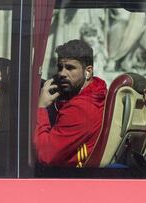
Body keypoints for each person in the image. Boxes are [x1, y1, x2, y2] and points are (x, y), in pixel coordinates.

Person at [35, 39, 107, 167]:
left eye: (70, 68)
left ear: (88, 71)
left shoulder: (79, 108)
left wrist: (41, 107)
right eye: (60, 67)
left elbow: (45, 155)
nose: (62, 73)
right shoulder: (98, 93)